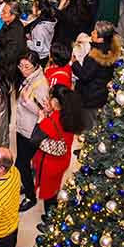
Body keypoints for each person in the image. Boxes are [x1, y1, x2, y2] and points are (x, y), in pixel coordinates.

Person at [33, 85, 83, 213]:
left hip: (49, 164)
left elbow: (34, 138)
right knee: (54, 188)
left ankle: (50, 217)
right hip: (61, 161)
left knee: (49, 194)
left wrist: (41, 119)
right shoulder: (69, 115)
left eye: (50, 97)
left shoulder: (52, 121)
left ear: (55, 101)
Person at [15, 53, 50, 212]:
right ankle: (26, 186)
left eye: (27, 67)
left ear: (36, 66)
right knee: (20, 163)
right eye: (21, 66)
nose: (23, 70)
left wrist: (28, 103)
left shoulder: (41, 85)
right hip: (22, 126)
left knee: (21, 164)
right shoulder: (30, 78)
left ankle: (30, 196)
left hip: (30, 131)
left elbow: (43, 112)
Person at [72, 21, 121, 130]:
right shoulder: (109, 49)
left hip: (90, 96)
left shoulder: (96, 56)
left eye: (95, 33)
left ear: (101, 39)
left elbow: (85, 76)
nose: (92, 33)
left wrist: (74, 63)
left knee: (88, 124)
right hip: (100, 94)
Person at [0, 0, 28, 91]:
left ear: (13, 15)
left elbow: (9, 57)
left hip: (9, 70)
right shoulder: (7, 24)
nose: (1, 14)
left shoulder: (15, 32)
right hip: (0, 59)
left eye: (4, 12)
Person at [25, 0, 56, 65]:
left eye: (33, 6)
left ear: (39, 11)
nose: (31, 8)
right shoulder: (49, 21)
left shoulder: (40, 27)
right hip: (48, 53)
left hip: (41, 58)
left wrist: (27, 41)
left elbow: (38, 48)